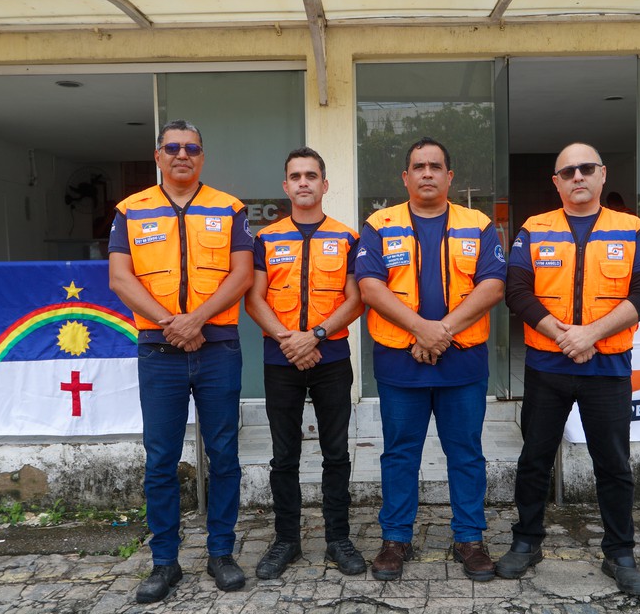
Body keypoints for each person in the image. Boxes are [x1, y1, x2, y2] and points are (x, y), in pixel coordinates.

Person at [498, 142, 640, 597]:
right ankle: (527, 542)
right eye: (567, 172)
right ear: (557, 182)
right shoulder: (534, 229)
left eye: (586, 168)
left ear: (602, 175)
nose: (577, 177)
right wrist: (564, 336)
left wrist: (590, 335)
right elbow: (517, 291)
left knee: (613, 464)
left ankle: (620, 553)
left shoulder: (632, 230)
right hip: (547, 365)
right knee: (534, 460)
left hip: (607, 367)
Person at [108, 120, 254, 604]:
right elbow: (120, 279)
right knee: (161, 461)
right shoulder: (131, 211)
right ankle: (164, 562)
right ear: (158, 155)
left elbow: (241, 274)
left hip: (218, 349)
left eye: (191, 148)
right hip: (158, 351)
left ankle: (221, 553)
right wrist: (173, 321)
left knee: (224, 455)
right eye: (172, 147)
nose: (182, 155)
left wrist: (197, 320)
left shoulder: (229, 207)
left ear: (202, 157)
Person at [355, 137, 506, 582]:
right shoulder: (379, 224)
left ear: (449, 176)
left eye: (435, 166)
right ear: (405, 177)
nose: (426, 173)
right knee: (400, 455)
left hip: (461, 363)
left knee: (465, 453)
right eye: (418, 166)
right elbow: (370, 287)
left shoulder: (478, 224)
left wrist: (440, 332)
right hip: (401, 364)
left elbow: (493, 285)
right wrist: (421, 329)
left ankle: (470, 539)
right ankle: (395, 539)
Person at [244, 147, 367, 579]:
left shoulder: (348, 237)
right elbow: (253, 299)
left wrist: (314, 336)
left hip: (331, 357)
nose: (303, 183)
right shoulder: (266, 238)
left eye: (311, 175)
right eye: (295, 176)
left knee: (336, 454)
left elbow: (357, 298)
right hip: (280, 360)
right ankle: (286, 541)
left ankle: (338, 539)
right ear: (285, 186)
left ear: (324, 185)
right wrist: (287, 339)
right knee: (284, 456)